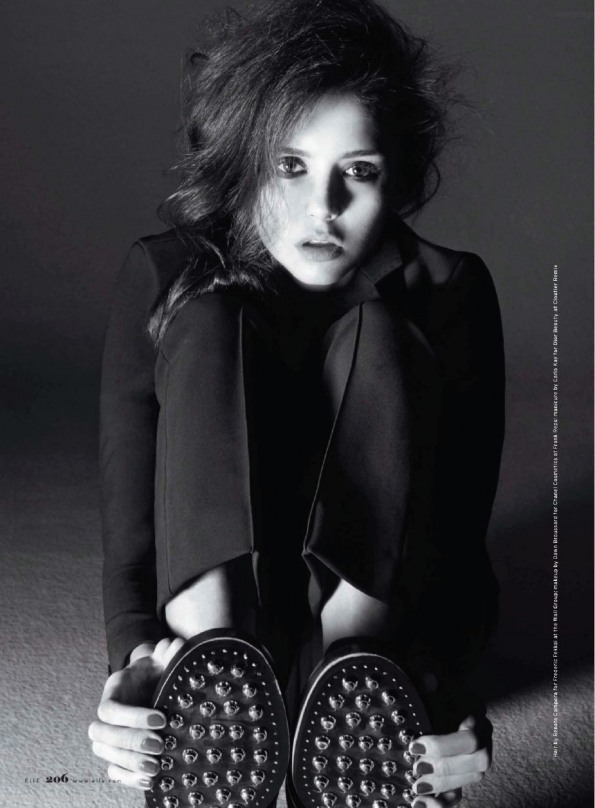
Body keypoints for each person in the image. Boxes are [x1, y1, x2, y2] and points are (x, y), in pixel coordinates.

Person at [87, 1, 505, 807]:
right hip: (210, 622)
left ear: (395, 174)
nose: (324, 207)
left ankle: (355, 670)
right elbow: (131, 528)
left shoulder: (449, 292)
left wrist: (438, 685)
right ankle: (210, 668)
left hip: (369, 621)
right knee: (208, 317)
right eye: (290, 165)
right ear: (244, 160)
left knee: (383, 333)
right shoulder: (161, 274)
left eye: (359, 170)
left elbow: (459, 544)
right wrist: (136, 662)